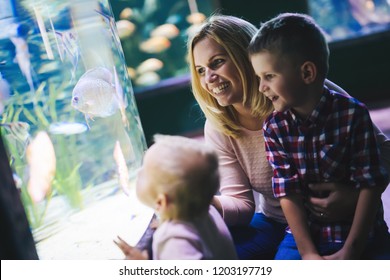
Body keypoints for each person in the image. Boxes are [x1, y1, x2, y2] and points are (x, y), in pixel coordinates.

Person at [188, 14, 390, 259]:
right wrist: (205, 200)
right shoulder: (219, 126)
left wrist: (354, 196)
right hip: (276, 220)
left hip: (337, 219)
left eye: (217, 62)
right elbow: (241, 204)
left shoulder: (306, 91)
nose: (208, 78)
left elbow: (382, 151)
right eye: (200, 70)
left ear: (247, 55)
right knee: (212, 255)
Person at [247, 12, 390, 259]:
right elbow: (287, 192)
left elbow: (370, 184)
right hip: (304, 238)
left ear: (307, 73)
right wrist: (309, 254)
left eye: (269, 76)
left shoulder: (353, 115)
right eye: (259, 78)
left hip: (363, 235)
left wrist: (350, 252)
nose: (262, 88)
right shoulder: (274, 127)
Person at [115, 134, 237, 260]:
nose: (139, 172)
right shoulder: (205, 212)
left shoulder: (175, 242)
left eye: (145, 172)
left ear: (161, 202)